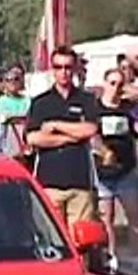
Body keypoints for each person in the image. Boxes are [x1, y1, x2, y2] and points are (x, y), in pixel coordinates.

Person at [25, 46, 99, 228]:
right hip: (50, 182)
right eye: (58, 67)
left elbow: (90, 129)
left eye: (67, 67)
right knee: (53, 238)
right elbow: (33, 138)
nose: (63, 72)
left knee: (82, 241)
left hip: (80, 182)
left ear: (74, 69)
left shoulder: (86, 99)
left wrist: (56, 126)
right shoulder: (41, 102)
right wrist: (71, 137)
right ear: (52, 69)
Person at [94, 67, 138, 271]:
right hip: (103, 172)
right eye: (112, 83)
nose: (115, 88)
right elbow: (90, 136)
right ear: (105, 84)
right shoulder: (95, 108)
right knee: (107, 217)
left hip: (126, 170)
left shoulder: (127, 108)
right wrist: (102, 150)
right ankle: (111, 258)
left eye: (119, 84)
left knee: (134, 215)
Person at [0, 65, 31, 157]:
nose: (12, 82)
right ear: (4, 82)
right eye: (8, 79)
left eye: (16, 79)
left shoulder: (29, 102)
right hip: (6, 150)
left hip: (26, 150)